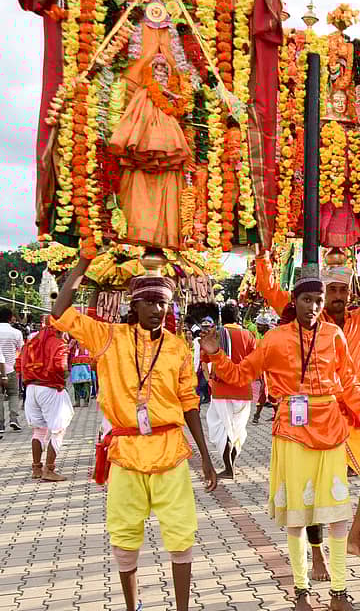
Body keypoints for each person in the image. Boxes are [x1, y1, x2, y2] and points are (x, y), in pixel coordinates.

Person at [201, 273, 360, 611]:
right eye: (307, 300)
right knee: (297, 516)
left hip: (332, 430)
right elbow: (238, 375)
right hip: (291, 432)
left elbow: (349, 385)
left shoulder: (334, 335)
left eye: (318, 302)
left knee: (336, 515)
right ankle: (301, 591)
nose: (314, 307)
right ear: (294, 302)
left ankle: (338, 591)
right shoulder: (274, 339)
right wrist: (216, 354)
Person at [52, 257, 217, 611]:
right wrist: (82, 263)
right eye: (150, 302)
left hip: (170, 450)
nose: (158, 309)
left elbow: (190, 403)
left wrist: (205, 457)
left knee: (180, 533)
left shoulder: (176, 347)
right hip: (125, 452)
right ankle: (131, 607)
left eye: (163, 302)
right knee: (124, 536)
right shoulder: (108, 336)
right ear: (134, 304)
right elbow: (60, 312)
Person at [256, 254, 360, 567]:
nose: (338, 296)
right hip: (314, 417)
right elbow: (270, 290)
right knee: (314, 487)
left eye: (343, 290)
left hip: (355, 414)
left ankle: (354, 536)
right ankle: (316, 553)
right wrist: (263, 258)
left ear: (352, 292)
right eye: (333, 290)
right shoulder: (309, 319)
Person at [203, 304, 259, 479]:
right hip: (243, 390)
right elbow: (256, 361)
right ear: (237, 317)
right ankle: (231, 465)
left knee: (222, 429)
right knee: (237, 430)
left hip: (220, 389)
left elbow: (205, 362)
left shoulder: (215, 334)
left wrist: (209, 380)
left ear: (222, 318)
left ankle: (228, 468)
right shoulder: (248, 335)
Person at [20, 321, 73, 481]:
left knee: (39, 430)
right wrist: (63, 378)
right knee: (58, 430)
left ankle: (36, 468)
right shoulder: (58, 343)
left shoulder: (32, 340)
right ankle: (49, 470)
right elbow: (60, 366)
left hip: (31, 389)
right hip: (50, 388)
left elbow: (20, 363)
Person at [0, 306, 25, 433]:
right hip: (10, 368)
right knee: (14, 394)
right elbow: (22, 350)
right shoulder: (16, 333)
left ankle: (0, 425)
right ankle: (14, 418)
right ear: (11, 318)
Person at [69, 337, 93, 407]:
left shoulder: (88, 341)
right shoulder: (73, 342)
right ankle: (77, 401)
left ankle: (86, 401)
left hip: (85, 365)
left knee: (86, 384)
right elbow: (68, 351)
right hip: (75, 366)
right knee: (76, 385)